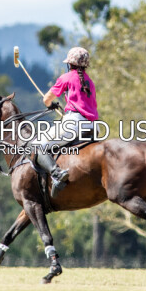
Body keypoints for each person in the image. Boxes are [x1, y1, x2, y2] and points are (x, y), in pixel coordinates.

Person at [36, 46, 99, 197]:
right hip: (93, 126)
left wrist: (50, 105)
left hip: (74, 123)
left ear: (70, 64)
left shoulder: (66, 77)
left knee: (37, 145)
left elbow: (46, 99)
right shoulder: (90, 82)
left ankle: (57, 174)